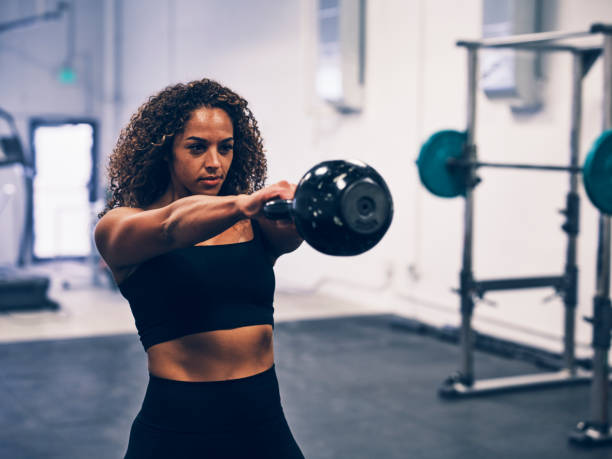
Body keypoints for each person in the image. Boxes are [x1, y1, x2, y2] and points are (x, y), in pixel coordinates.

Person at [94, 78, 306, 458]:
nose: (214, 163)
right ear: (164, 152)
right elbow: (171, 225)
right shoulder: (121, 226)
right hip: (177, 430)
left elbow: (295, 235)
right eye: (197, 148)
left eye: (225, 148)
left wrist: (304, 207)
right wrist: (244, 203)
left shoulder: (254, 225)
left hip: (264, 426)